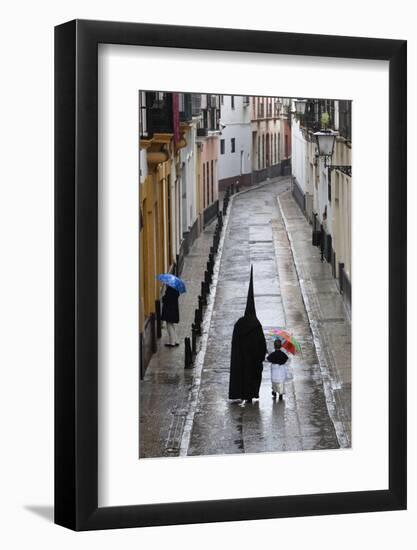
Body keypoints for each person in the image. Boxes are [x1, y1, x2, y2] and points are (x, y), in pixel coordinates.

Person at [229, 266, 267, 405]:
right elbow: (262, 346)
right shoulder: (257, 326)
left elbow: (234, 345)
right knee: (252, 377)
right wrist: (260, 356)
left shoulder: (239, 324)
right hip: (253, 361)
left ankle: (242, 393)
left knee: (243, 376)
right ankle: (250, 395)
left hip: (242, 361)